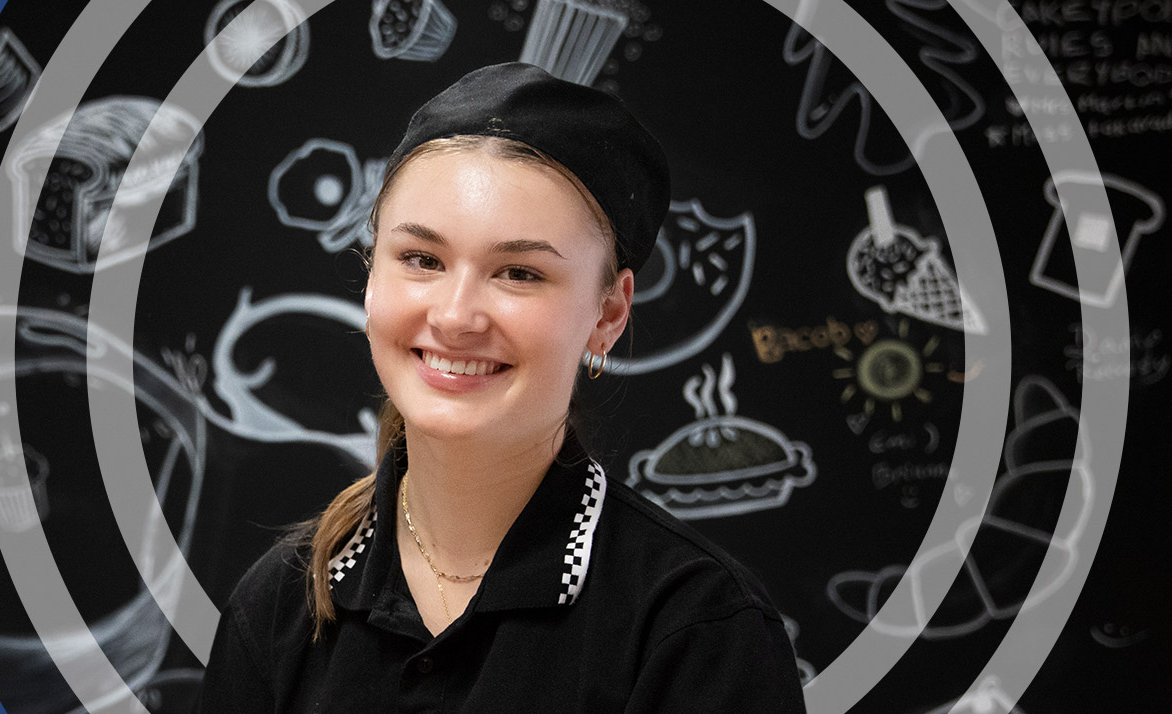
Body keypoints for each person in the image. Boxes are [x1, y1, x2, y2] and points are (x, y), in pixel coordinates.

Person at [196, 63, 805, 712]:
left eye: (518, 272)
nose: (456, 316)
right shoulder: (278, 609)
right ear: (371, 275)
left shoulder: (696, 629)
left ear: (607, 315)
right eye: (422, 259)